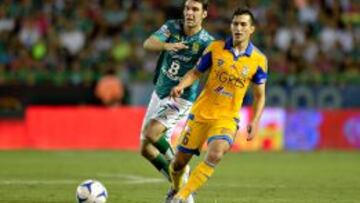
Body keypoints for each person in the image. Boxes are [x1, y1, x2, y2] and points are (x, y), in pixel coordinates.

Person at [167, 8, 268, 202]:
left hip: (226, 118)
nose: (238, 28)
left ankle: (181, 197)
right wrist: (181, 85)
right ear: (231, 26)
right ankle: (175, 187)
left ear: (251, 29)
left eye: (243, 24)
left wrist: (255, 121)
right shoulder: (215, 48)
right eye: (235, 24)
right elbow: (196, 73)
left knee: (215, 154)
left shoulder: (259, 60)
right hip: (201, 113)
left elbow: (259, 96)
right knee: (178, 164)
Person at [139, 0, 213, 201]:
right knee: (145, 149)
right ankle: (176, 186)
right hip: (159, 92)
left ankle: (181, 167)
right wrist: (167, 45)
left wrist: (183, 86)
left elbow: (201, 71)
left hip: (181, 98)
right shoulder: (172, 27)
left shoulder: (207, 43)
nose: (190, 13)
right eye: (188, 8)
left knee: (151, 132)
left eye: (195, 9)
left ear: (204, 14)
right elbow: (148, 43)